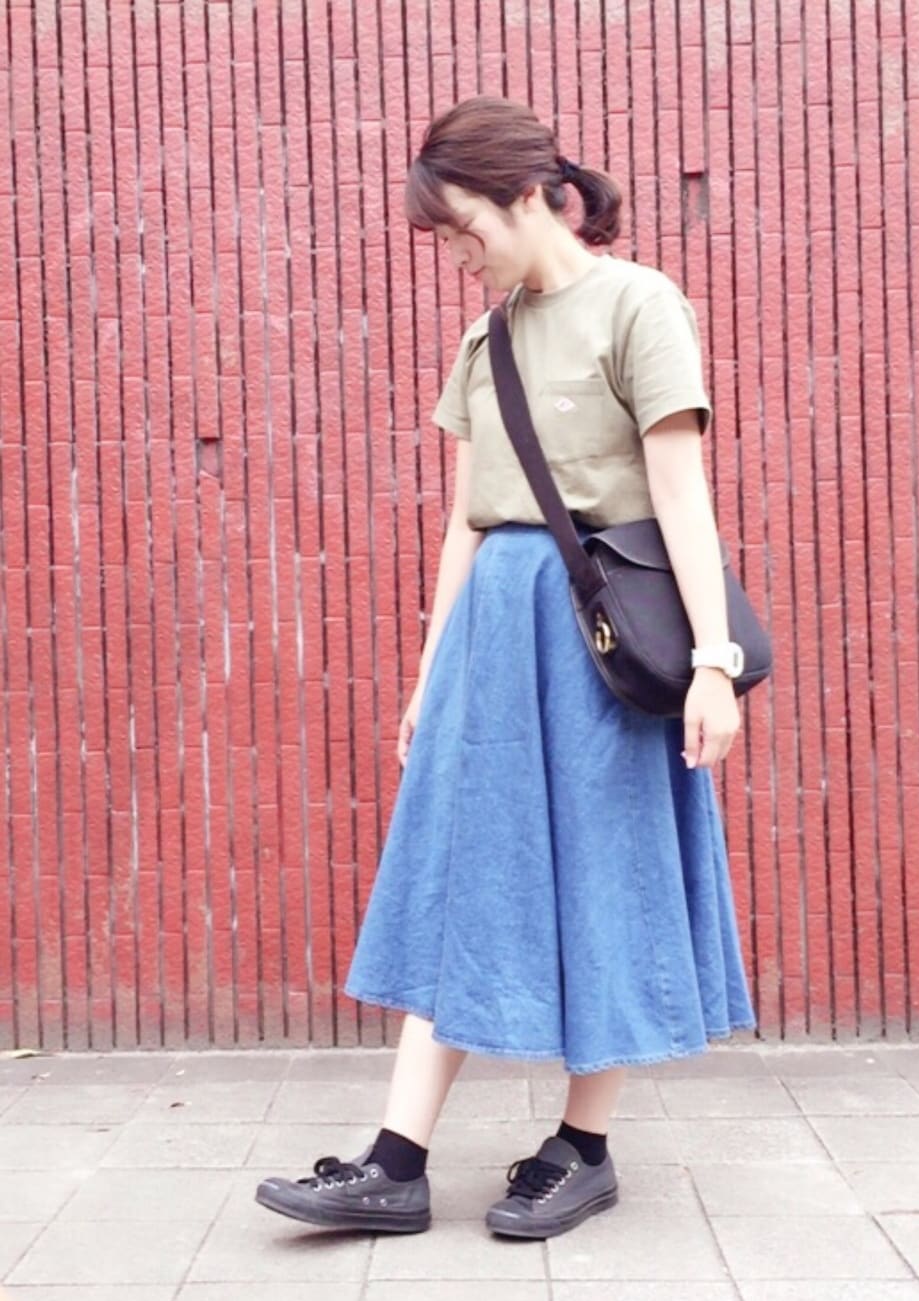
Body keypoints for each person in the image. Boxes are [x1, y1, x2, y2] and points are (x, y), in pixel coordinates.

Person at [255, 95, 757, 1242]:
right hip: (493, 635)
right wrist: (429, 678)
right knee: (456, 869)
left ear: (529, 196)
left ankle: (582, 1145)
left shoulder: (638, 303)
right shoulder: (486, 340)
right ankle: (394, 1162)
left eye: (464, 227)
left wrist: (712, 665)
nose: (457, 252)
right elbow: (466, 524)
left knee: (607, 869)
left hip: (601, 641)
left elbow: (679, 494)